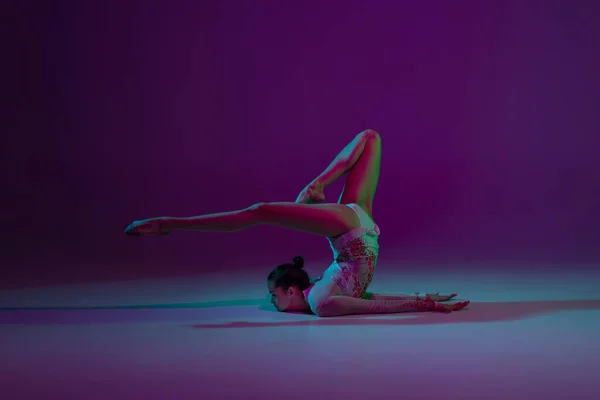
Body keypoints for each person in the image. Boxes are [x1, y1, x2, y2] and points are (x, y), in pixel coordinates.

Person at [125, 129, 470, 317]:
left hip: (354, 231)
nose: (273, 303)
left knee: (262, 210)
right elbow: (371, 300)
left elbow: (372, 303)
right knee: (369, 138)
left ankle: (168, 223)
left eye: (273, 298)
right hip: (356, 228)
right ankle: (317, 183)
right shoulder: (321, 297)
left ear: (292, 291)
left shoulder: (321, 298)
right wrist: (425, 298)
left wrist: (425, 304)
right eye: (273, 298)